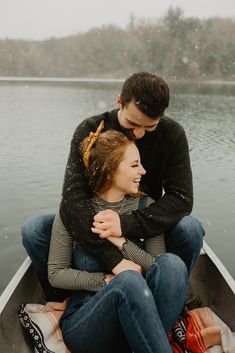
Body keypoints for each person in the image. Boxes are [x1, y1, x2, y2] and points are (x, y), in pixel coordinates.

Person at [22, 71, 205, 302]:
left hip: (144, 220)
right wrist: (114, 259)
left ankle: (172, 297)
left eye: (149, 128)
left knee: (190, 229)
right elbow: (73, 199)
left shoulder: (172, 134)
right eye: (132, 123)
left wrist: (127, 224)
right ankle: (60, 300)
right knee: (34, 229)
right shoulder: (90, 129)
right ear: (119, 101)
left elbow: (181, 199)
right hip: (94, 219)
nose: (138, 134)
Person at [47, 129, 189, 353]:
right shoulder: (75, 212)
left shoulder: (147, 207)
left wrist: (121, 241)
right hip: (89, 322)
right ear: (110, 170)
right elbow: (56, 274)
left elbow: (158, 271)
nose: (143, 171)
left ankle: (146, 342)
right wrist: (106, 280)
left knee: (174, 265)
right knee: (128, 281)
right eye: (134, 165)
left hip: (143, 317)